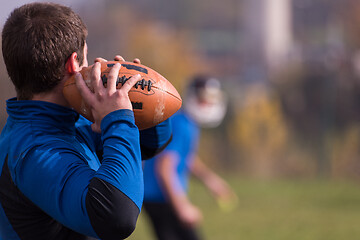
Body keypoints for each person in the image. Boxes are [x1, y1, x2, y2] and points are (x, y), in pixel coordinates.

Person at [0, 2, 172, 240]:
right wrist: (118, 119)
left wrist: (138, 99)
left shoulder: (70, 121)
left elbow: (151, 145)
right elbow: (117, 217)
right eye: (86, 57)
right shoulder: (34, 150)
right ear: (73, 63)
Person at [142, 75, 237, 240]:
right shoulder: (182, 125)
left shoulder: (186, 121)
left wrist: (211, 181)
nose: (207, 103)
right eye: (203, 98)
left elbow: (185, 158)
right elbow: (164, 168)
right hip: (161, 198)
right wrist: (182, 207)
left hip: (157, 197)